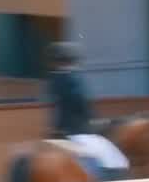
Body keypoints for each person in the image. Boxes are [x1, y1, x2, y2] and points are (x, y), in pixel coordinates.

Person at [41, 40, 129, 171]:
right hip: (78, 130)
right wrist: (94, 119)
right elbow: (79, 101)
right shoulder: (73, 79)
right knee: (113, 159)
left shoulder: (53, 80)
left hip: (57, 130)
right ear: (70, 60)